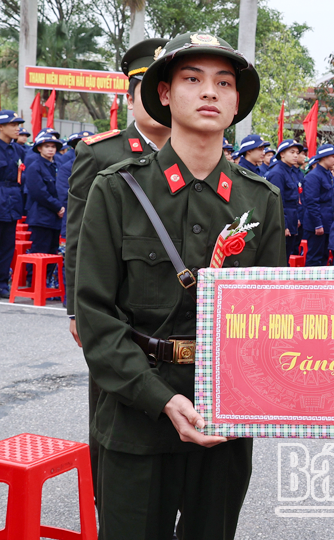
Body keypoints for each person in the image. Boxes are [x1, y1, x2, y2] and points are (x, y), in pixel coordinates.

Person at [74, 31, 285, 539]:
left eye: (224, 82)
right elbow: (97, 321)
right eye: (193, 79)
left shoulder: (261, 202)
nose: (209, 92)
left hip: (224, 421)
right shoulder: (117, 189)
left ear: (237, 102)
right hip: (136, 414)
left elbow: (272, 318)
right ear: (165, 93)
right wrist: (161, 399)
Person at [63, 40, 171, 500]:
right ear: (131, 95)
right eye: (146, 89)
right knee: (113, 406)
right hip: (116, 305)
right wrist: (76, 310)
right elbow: (78, 239)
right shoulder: (103, 153)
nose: (157, 100)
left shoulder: (197, 151)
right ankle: (110, 499)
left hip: (175, 309)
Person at [23, 133, 65, 287]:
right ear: (39, 148)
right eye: (47, 146)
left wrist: (62, 207)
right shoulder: (35, 166)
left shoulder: (58, 166)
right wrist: (58, 206)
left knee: (53, 251)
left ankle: (46, 282)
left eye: (53, 147)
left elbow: (61, 188)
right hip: (41, 216)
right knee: (39, 250)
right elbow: (39, 192)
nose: (50, 150)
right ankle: (33, 282)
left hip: (56, 217)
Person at [265, 139, 304, 262]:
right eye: (292, 152)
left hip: (291, 221)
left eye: (297, 152)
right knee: (280, 259)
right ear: (282, 154)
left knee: (287, 258)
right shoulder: (277, 173)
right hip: (284, 223)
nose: (295, 155)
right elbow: (277, 202)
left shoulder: (290, 171)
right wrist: (284, 225)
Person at [0, 109, 25, 299]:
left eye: (18, 125)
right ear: (2, 127)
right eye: (13, 125)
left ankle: (2, 283)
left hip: (12, 201)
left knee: (8, 245)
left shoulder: (18, 150)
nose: (18, 129)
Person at [302, 143, 334, 267]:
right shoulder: (314, 176)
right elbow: (312, 202)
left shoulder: (328, 174)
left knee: (324, 256)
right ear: (323, 157)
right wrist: (318, 224)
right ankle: (310, 285)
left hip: (327, 223)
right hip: (317, 226)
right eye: (332, 157)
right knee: (314, 258)